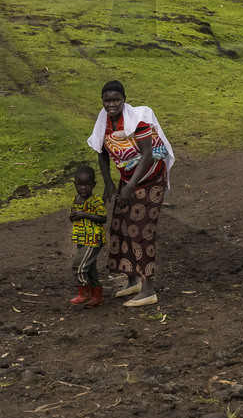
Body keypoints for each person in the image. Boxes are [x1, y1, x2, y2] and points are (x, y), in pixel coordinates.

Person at [90, 80, 174, 308]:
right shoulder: (104, 121)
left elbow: (147, 155)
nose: (111, 104)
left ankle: (148, 291)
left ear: (124, 100)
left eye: (116, 99)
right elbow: (101, 152)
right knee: (121, 226)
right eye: (107, 100)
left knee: (142, 230)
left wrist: (129, 187)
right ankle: (133, 280)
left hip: (151, 178)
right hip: (128, 178)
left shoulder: (138, 121)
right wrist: (109, 182)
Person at [67, 166, 107, 308]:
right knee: (90, 268)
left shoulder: (96, 201)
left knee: (79, 266)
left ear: (94, 185)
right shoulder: (75, 200)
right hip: (80, 239)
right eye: (80, 185)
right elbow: (74, 217)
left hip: (93, 239)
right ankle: (97, 297)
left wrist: (85, 214)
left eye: (87, 184)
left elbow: (103, 218)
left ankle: (84, 293)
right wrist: (73, 217)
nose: (83, 188)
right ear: (75, 185)